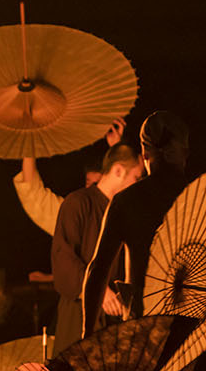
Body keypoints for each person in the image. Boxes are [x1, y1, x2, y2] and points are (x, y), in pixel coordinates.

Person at [82, 111, 190, 339]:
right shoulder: (200, 195)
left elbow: (97, 270)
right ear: (184, 151)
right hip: (192, 322)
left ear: (145, 153)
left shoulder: (129, 201)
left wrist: (88, 335)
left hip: (143, 324)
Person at [52, 144, 142, 352]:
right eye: (136, 178)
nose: (137, 185)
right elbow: (63, 258)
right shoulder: (78, 203)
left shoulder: (126, 213)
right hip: (79, 317)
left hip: (115, 323)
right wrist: (99, 291)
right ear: (118, 171)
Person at [12, 118, 126, 237]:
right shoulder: (74, 216)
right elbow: (32, 191)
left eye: (97, 184)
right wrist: (30, 140)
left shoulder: (120, 216)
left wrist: (118, 150)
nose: (93, 190)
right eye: (89, 183)